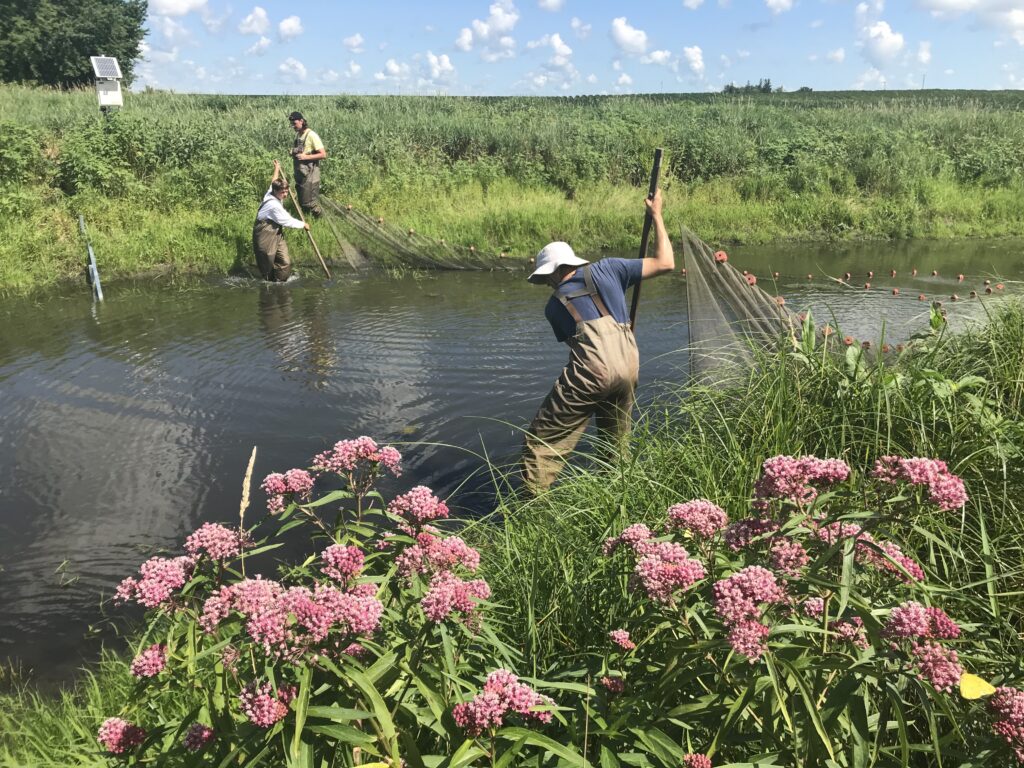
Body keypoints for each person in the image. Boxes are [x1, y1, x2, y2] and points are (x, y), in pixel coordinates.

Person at [520, 188, 674, 495]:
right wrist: (656, 215)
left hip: (592, 371)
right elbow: (666, 262)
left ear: (552, 274)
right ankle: (618, 498)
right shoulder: (610, 268)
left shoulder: (554, 307)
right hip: (629, 365)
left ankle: (530, 509)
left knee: (542, 444)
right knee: (616, 446)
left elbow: (583, 351)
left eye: (546, 279)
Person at [253, 160, 309, 282]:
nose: (285, 194)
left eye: (286, 191)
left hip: (276, 233)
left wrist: (277, 168)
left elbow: (274, 180)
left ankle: (279, 283)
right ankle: (269, 283)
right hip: (264, 233)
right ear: (275, 191)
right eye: (282, 192)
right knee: (267, 261)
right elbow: (287, 221)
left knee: (285, 261)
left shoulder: (271, 190)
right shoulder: (273, 205)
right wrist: (303, 224)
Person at [288, 110, 327, 218]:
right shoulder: (298, 134)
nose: (293, 126)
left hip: (310, 174)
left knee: (309, 203)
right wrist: (293, 152)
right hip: (300, 173)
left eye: (294, 124)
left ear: (301, 121)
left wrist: (306, 157)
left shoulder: (311, 135)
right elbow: (302, 151)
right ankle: (308, 220)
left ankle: (322, 218)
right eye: (291, 124)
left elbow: (323, 154)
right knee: (302, 202)